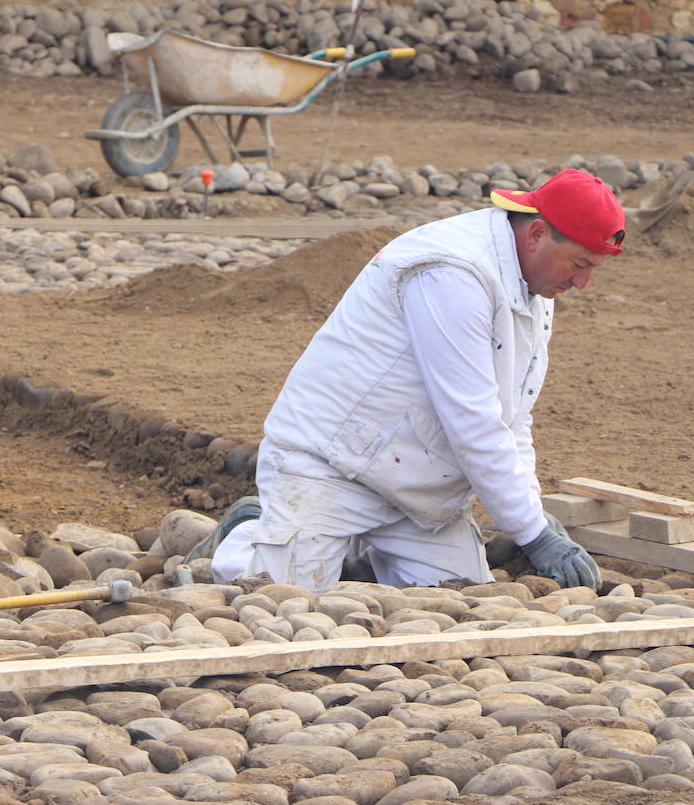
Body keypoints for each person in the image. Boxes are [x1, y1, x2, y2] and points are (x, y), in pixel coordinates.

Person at [202, 169, 625, 594]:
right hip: (333, 465)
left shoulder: (534, 286)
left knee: (456, 602)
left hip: (420, 490)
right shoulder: (454, 272)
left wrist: (530, 515)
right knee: (278, 596)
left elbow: (511, 416)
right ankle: (247, 532)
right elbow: (472, 419)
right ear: (536, 233)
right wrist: (534, 535)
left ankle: (344, 551)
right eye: (580, 264)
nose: (582, 282)